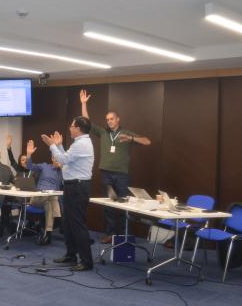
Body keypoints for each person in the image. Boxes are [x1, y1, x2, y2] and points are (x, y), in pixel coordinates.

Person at [80, 89, 151, 244]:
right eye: (107, 119)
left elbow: (147, 141)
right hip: (106, 173)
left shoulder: (125, 132)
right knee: (109, 206)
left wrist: (131, 138)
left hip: (121, 174)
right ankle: (111, 234)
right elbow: (86, 122)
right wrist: (84, 104)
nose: (109, 121)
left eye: (112, 119)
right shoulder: (103, 133)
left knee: (124, 204)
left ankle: (124, 235)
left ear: (118, 119)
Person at [41, 116, 94, 271]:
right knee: (68, 223)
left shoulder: (82, 144)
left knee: (77, 224)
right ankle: (71, 255)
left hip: (78, 187)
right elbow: (68, 159)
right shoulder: (80, 143)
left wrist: (52, 146)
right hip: (73, 187)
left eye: (71, 126)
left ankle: (86, 261)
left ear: (77, 128)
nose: (70, 128)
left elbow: (62, 160)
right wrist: (59, 145)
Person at [25, 140, 62, 245]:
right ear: (52, 158)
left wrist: (63, 168)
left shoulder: (63, 172)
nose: (57, 160)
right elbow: (29, 167)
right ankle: (58, 217)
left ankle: (48, 234)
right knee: (53, 197)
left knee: (49, 204)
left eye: (59, 158)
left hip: (48, 200)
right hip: (37, 198)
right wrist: (28, 154)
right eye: (55, 158)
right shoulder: (44, 166)